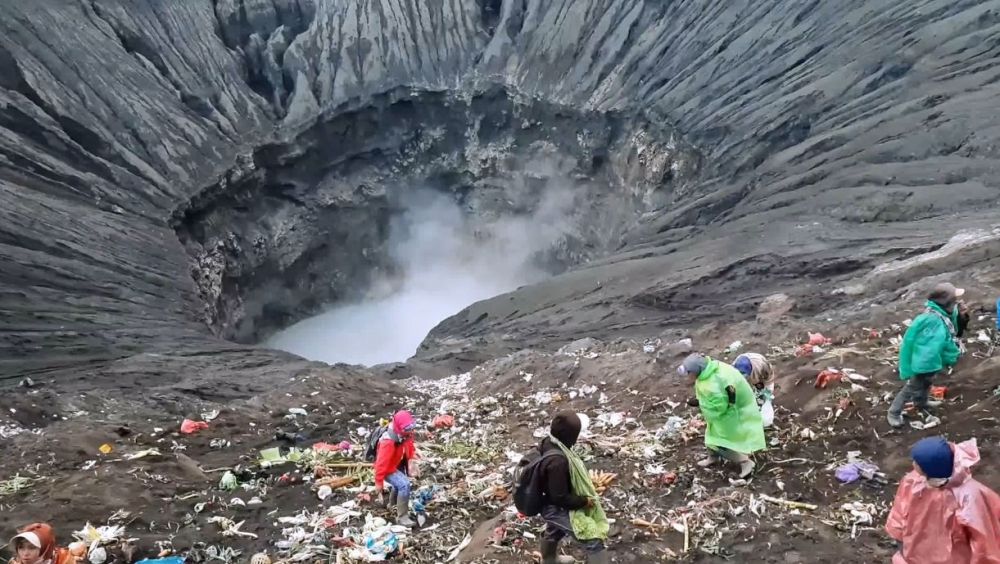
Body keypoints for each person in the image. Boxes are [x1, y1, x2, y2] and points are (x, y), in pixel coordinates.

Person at [885, 436, 1000, 563]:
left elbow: (983, 539)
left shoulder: (968, 497)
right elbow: (900, 513)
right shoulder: (912, 481)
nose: (913, 463)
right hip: (915, 550)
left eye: (917, 462)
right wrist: (900, 541)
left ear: (928, 469)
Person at [887, 283, 964, 428]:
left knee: (927, 382)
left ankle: (921, 402)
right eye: (954, 300)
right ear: (946, 302)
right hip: (923, 362)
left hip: (932, 360)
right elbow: (920, 344)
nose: (956, 302)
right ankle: (893, 412)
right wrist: (921, 365)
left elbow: (948, 333)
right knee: (912, 386)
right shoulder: (930, 320)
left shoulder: (941, 314)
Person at [536, 411, 609, 564]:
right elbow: (559, 497)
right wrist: (584, 501)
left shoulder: (549, 442)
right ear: (571, 437)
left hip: (546, 500)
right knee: (593, 539)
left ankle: (549, 559)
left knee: (554, 529)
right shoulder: (557, 462)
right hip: (553, 506)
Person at [679, 353, 766, 478]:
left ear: (695, 372)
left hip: (734, 411)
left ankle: (746, 462)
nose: (687, 377)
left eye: (688, 373)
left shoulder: (713, 383)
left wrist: (700, 402)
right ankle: (713, 458)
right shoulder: (711, 369)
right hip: (732, 405)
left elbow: (720, 407)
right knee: (711, 432)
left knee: (721, 442)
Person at [373, 410, 419, 527]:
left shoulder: (405, 432)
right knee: (404, 484)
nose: (410, 431)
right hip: (387, 467)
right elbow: (380, 464)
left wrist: (411, 458)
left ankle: (392, 505)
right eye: (407, 429)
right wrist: (379, 482)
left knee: (398, 484)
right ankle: (402, 518)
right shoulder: (388, 442)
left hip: (397, 461)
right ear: (399, 426)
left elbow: (409, 443)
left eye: (411, 428)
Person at [7, 523, 77, 564]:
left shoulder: (64, 560)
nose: (25, 553)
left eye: (32, 548)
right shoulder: (15, 562)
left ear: (45, 548)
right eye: (21, 547)